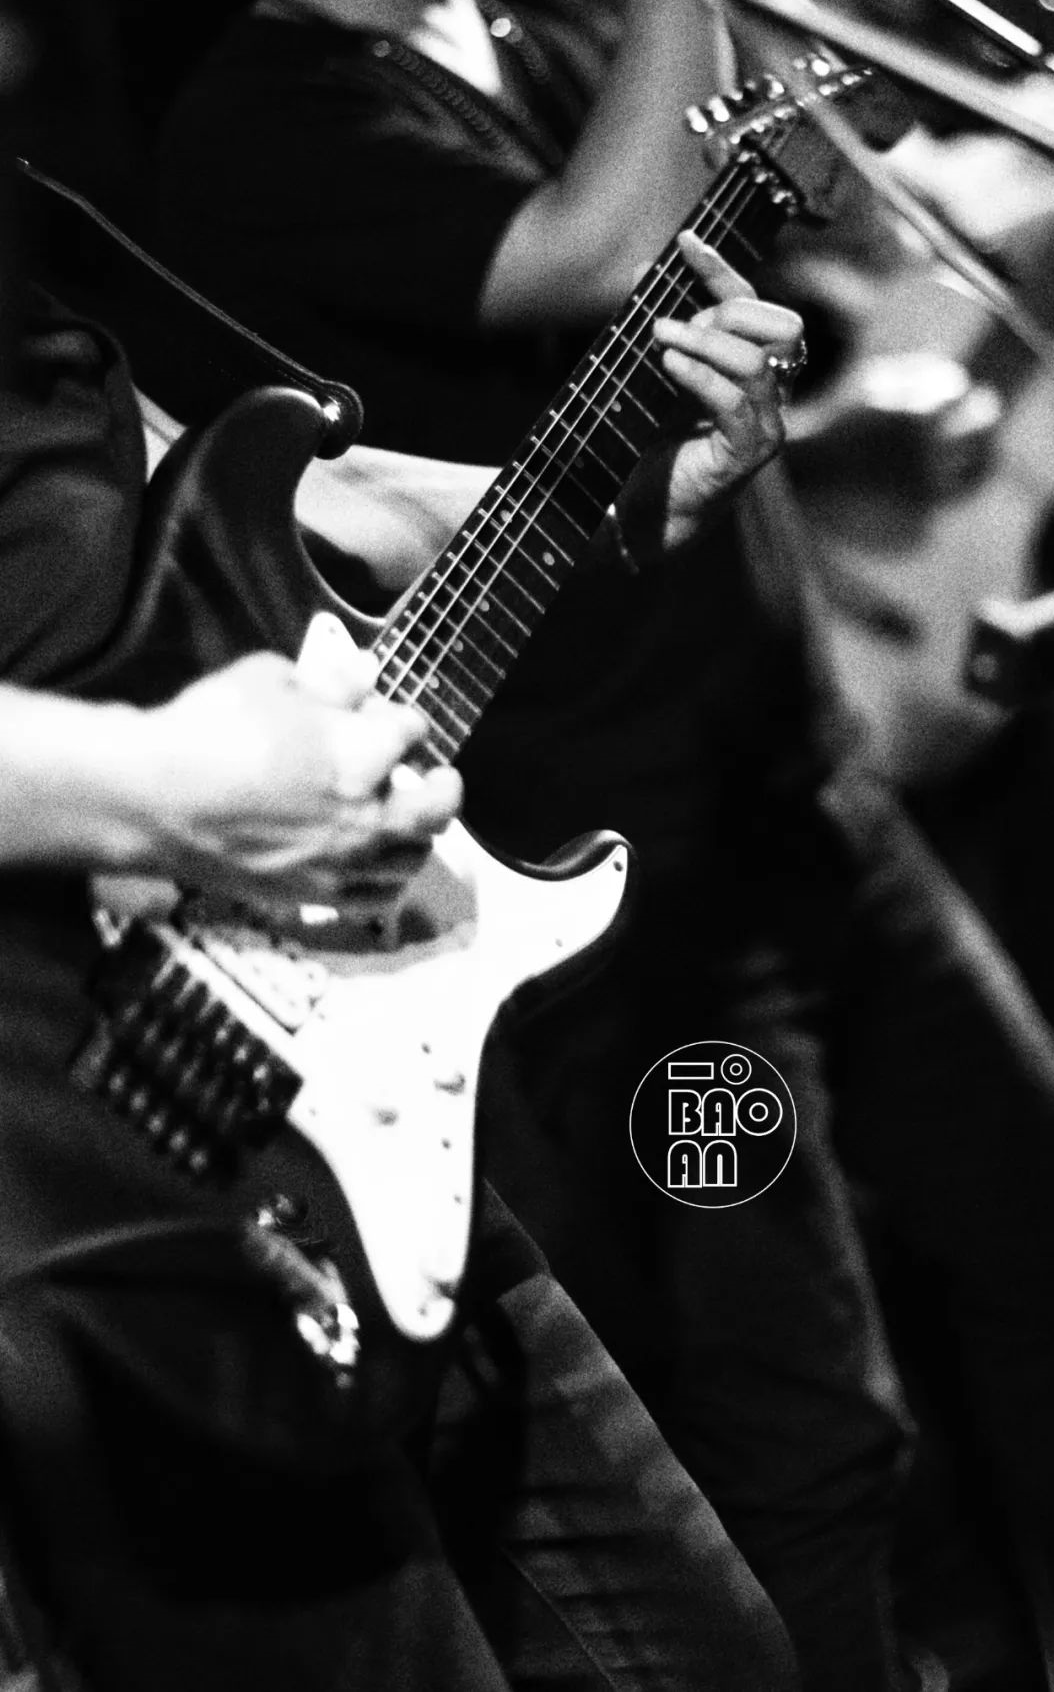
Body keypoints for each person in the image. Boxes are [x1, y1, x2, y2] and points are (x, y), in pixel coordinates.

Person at [138, 0, 1054, 1692]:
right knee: (809, 1426)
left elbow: (795, 186)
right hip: (633, 927)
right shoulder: (263, 122)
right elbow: (587, 253)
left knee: (1049, 1236)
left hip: (811, 792)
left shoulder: (555, 28)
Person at [0, 238, 803, 1692]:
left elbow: (258, 495)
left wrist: (623, 493)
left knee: (715, 1657)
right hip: (71, 1165)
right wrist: (164, 784)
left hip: (304, 1063)